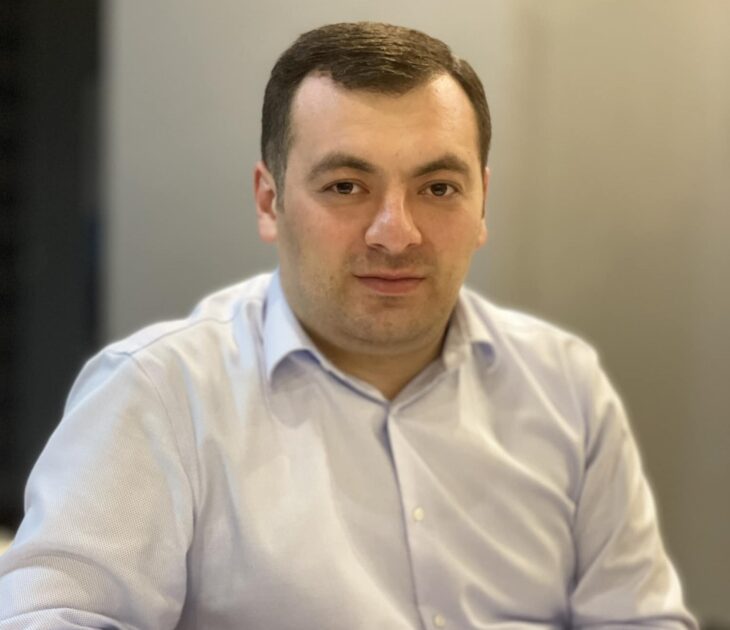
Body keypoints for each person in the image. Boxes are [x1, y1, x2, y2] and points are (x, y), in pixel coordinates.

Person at [0, 21, 696, 630]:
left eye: (438, 188)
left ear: (482, 202)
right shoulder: (158, 395)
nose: (396, 233)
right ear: (269, 201)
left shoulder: (565, 385)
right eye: (346, 187)